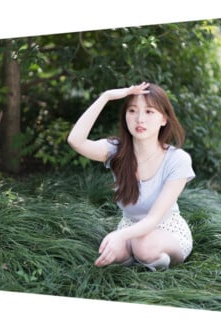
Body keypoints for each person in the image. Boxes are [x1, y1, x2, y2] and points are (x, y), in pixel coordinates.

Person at [67, 82, 195, 271]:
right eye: (133, 111)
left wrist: (120, 235)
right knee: (113, 253)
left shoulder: (177, 159)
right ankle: (137, 261)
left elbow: (152, 219)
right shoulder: (116, 151)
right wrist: (106, 96)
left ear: (164, 119)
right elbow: (75, 140)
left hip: (166, 229)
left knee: (144, 245)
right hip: (129, 226)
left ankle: (153, 264)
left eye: (149, 112)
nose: (139, 119)